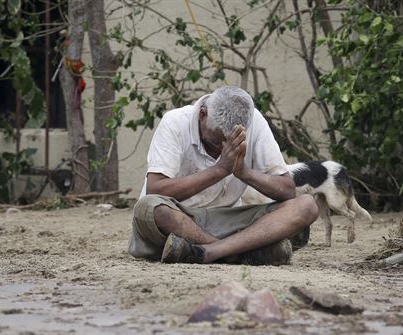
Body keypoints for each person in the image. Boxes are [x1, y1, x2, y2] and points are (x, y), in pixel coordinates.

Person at [128, 86, 318, 264]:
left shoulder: (255, 121)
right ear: (203, 114)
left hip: (231, 222)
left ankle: (209, 252)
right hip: (180, 220)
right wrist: (219, 170)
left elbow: (287, 190)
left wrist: (243, 172)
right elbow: (155, 189)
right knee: (148, 208)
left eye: (231, 141)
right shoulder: (175, 122)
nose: (222, 148)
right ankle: (239, 253)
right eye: (216, 141)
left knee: (307, 205)